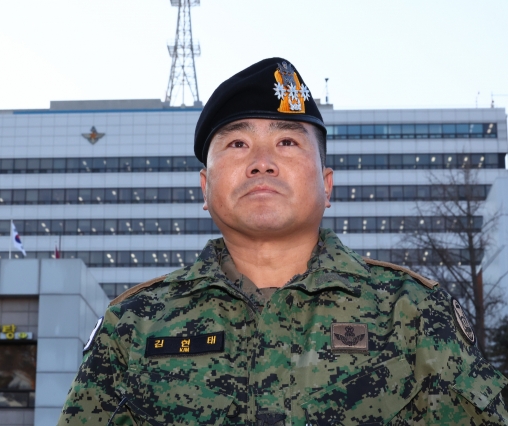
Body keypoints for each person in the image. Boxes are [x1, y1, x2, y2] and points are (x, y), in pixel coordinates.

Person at [58, 58, 508, 425]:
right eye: (237, 144)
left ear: (327, 185)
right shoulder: (135, 324)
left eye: (288, 142)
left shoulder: (413, 311)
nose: (262, 164)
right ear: (204, 187)